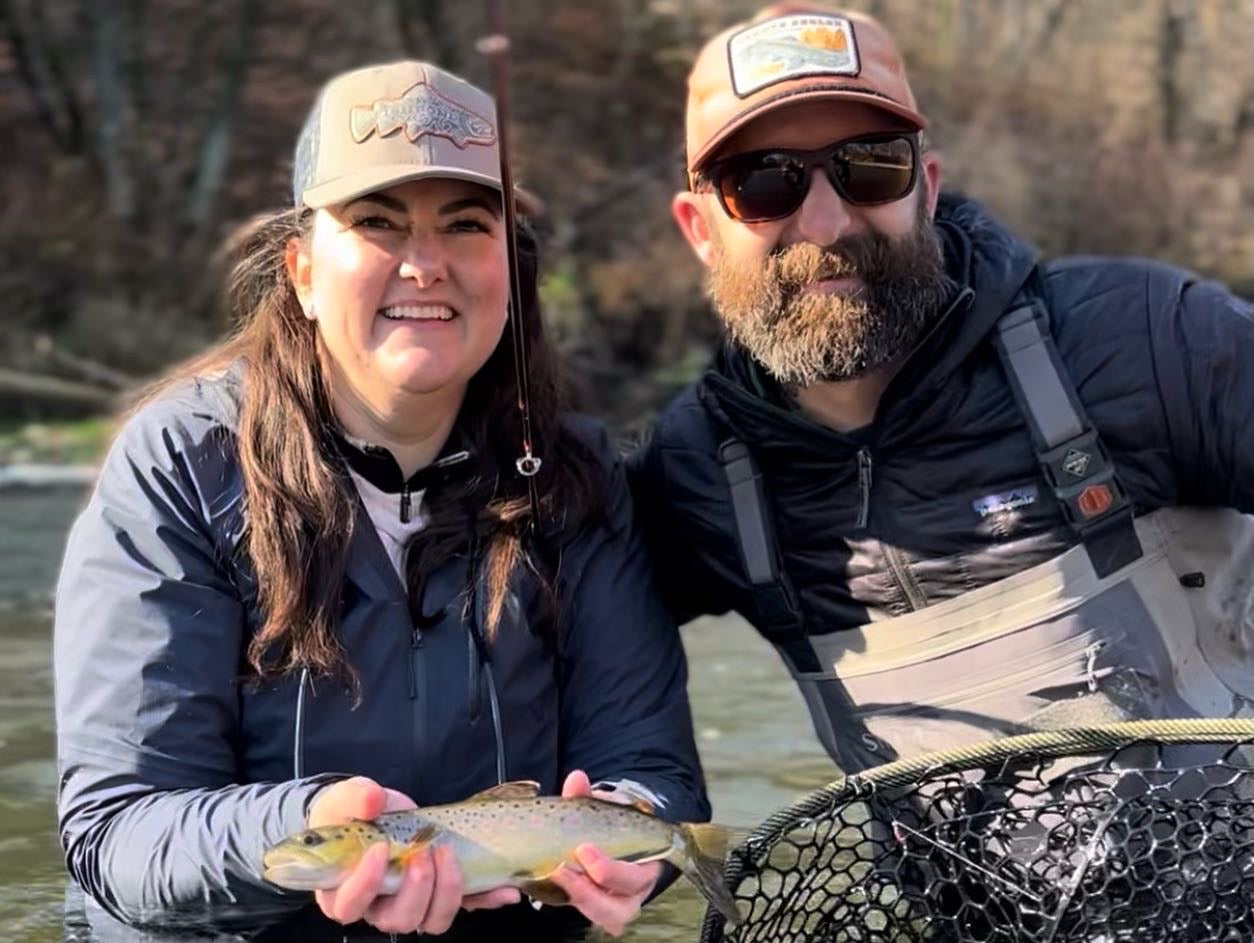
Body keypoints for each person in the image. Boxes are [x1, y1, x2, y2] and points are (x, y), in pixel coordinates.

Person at [54, 60, 708, 942]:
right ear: (303, 272)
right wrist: (308, 824)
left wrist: (629, 838)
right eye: (376, 222)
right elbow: (114, 832)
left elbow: (652, 771)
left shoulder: (576, 477)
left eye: (466, 224)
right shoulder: (179, 464)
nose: (425, 263)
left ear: (509, 271)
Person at [629, 2, 1254, 776]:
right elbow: (547, 664)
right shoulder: (691, 475)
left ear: (924, 186)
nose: (825, 225)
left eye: (870, 166)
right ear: (699, 228)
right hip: (962, 904)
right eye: (762, 185)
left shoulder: (1152, 337)